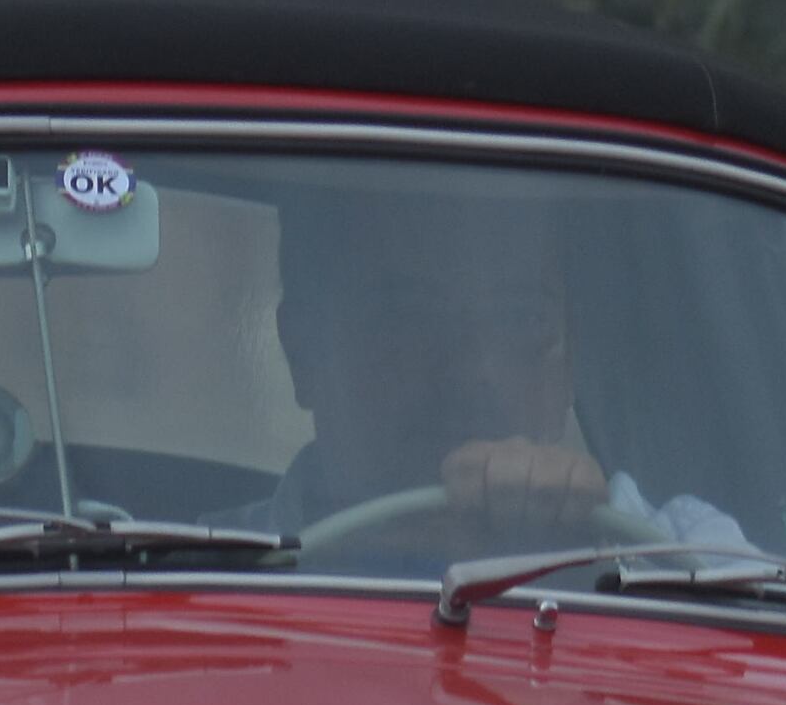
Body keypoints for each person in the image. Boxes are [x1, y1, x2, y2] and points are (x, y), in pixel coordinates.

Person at [259, 185, 744, 556]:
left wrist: (590, 549)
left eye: (521, 318)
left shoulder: (686, 551)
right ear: (303, 351)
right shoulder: (202, 565)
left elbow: (767, 665)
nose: (472, 370)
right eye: (404, 315)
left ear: (568, 368)